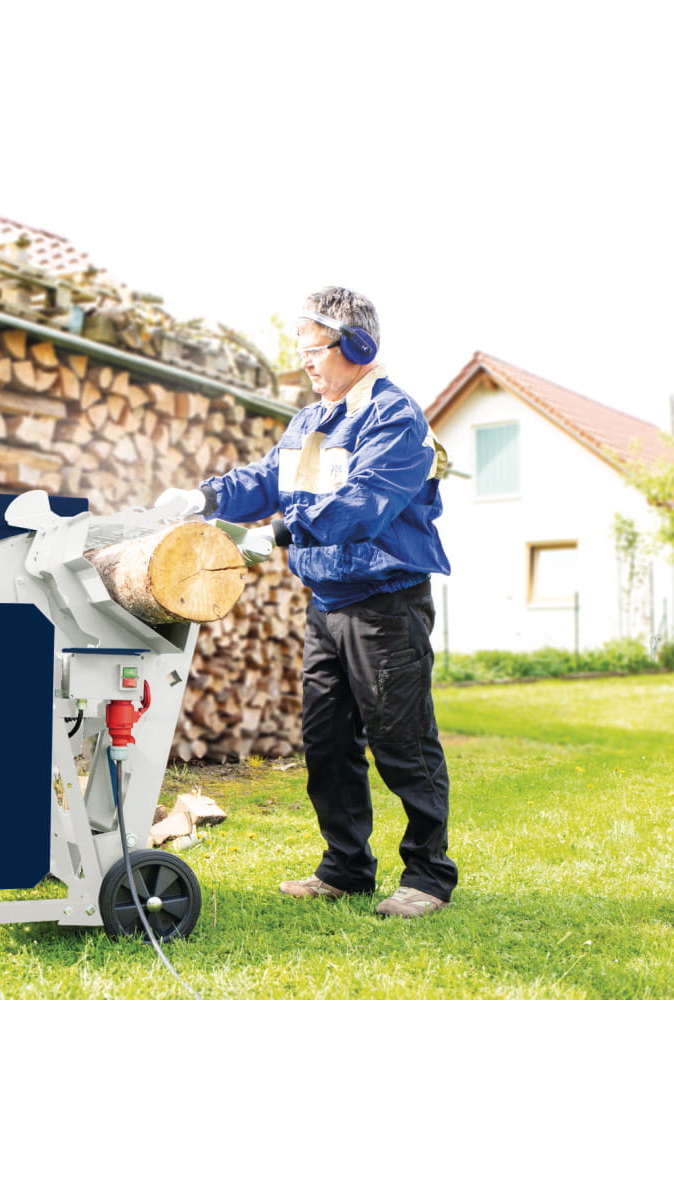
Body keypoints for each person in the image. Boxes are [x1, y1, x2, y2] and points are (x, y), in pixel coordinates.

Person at [156, 285, 457, 917]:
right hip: (326, 604)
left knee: (403, 743)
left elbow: (364, 504)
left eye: (315, 350)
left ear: (358, 347)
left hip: (386, 603)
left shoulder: (394, 418)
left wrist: (280, 532)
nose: (306, 363)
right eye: (302, 352)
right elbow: (269, 479)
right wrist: (205, 498)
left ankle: (429, 877)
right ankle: (345, 869)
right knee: (326, 743)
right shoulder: (311, 420)